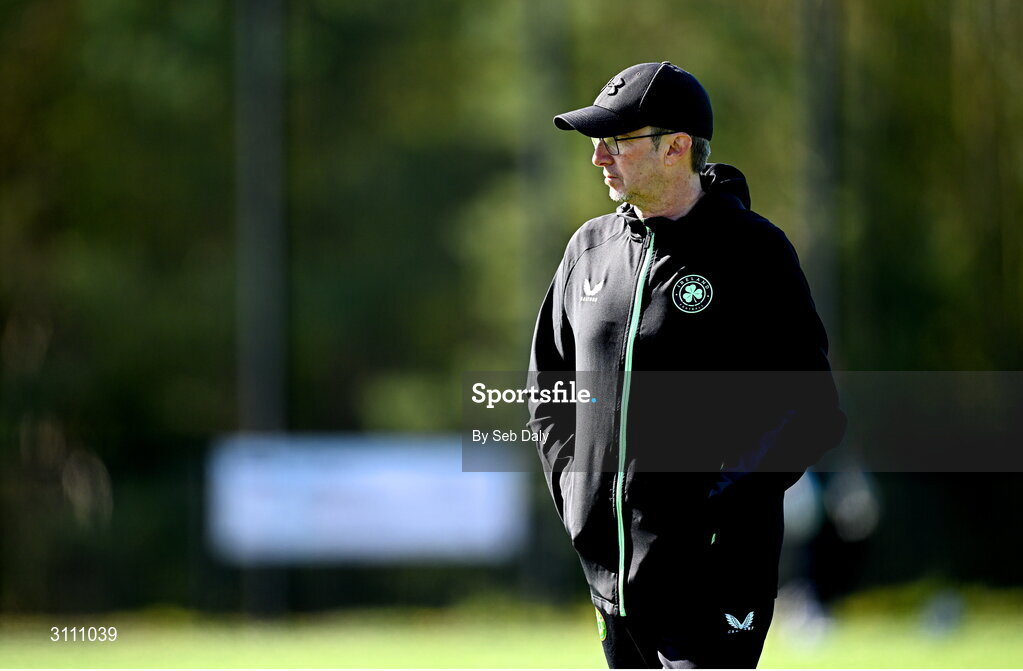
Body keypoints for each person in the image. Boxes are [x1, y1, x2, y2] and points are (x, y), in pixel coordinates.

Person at [527, 61, 847, 668]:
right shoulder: (587, 251)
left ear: (676, 147)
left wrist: (718, 504)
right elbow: (548, 389)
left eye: (616, 141)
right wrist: (578, 495)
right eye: (596, 141)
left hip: (715, 576)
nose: (598, 157)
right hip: (611, 580)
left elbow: (811, 411)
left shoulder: (753, 251)